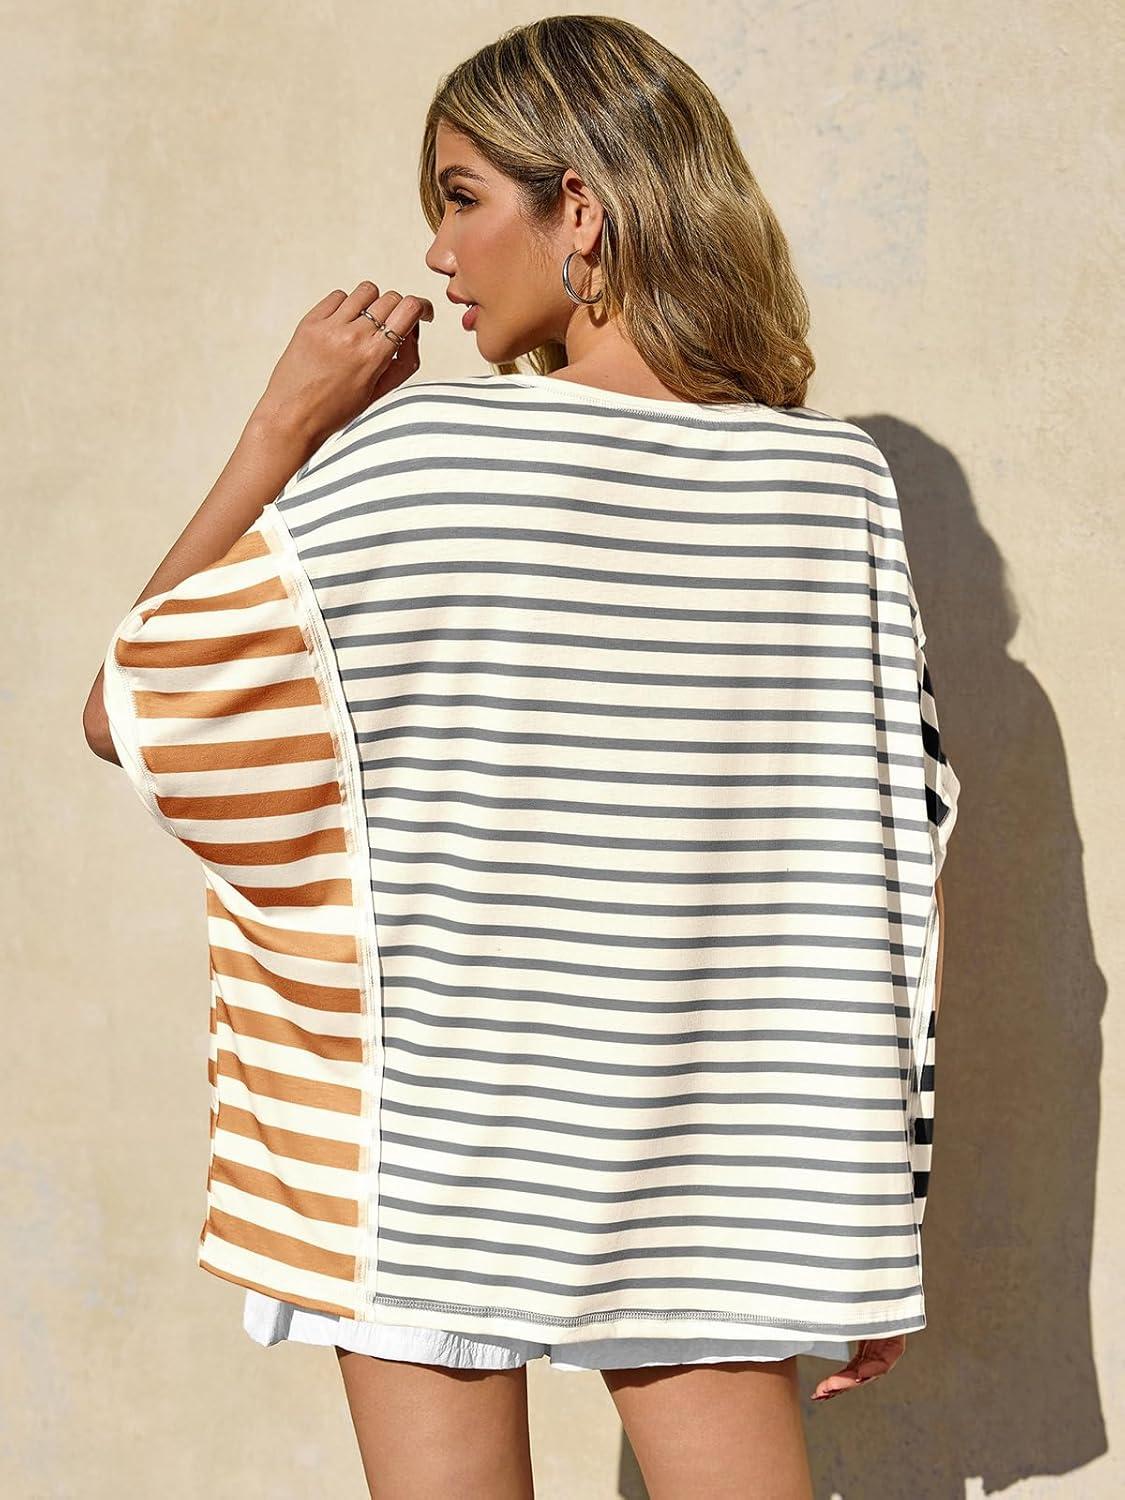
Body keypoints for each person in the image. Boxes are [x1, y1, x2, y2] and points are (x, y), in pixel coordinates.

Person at [83, 16, 959, 1499]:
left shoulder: (421, 457)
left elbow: (133, 705)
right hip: (720, 1160)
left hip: (431, 1134)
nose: (437, 253)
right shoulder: (834, 488)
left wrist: (287, 424)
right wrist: (868, 1209)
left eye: (461, 196)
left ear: (585, 210)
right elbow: (895, 858)